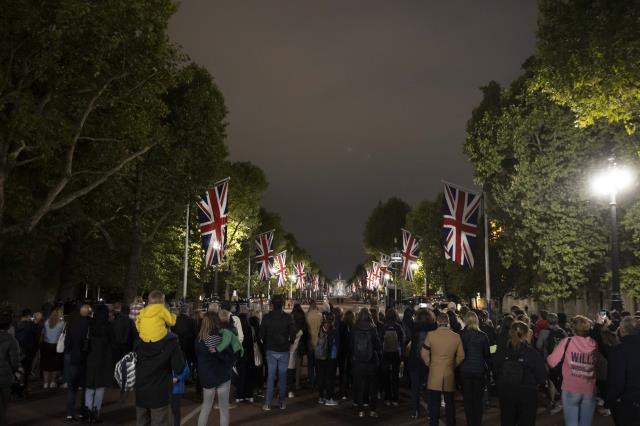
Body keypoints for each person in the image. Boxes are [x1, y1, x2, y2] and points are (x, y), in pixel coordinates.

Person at [134, 294, 185, 426]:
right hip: (159, 391)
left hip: (140, 389)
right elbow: (179, 367)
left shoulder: (138, 341)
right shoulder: (171, 341)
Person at [547, 315, 597, 426]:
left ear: (573, 328)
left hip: (570, 388)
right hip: (589, 388)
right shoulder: (593, 343)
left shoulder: (567, 342)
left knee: (571, 423)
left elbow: (551, 362)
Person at [496, 320, 547, 426]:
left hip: (507, 392)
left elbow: (495, 370)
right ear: (525, 334)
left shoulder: (501, 351)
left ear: (510, 333)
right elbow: (541, 376)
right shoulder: (532, 353)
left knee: (507, 420)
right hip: (527, 393)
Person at [421, 312, 465, 426]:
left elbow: (424, 352)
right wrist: (453, 365)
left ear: (438, 322)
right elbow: (461, 356)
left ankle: (434, 423)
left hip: (434, 372)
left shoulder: (431, 335)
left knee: (434, 403)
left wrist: (429, 363)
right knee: (450, 403)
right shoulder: (456, 337)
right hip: (449, 372)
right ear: (448, 322)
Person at [195, 312, 234, 426]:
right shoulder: (224, 337)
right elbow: (230, 357)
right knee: (224, 409)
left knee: (206, 408)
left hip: (207, 376)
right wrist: (218, 352)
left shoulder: (199, 340)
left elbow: (198, 357)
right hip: (223, 375)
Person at [259, 295, 296, 411]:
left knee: (270, 377)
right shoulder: (287, 317)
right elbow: (293, 335)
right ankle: (282, 402)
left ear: (272, 304)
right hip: (284, 350)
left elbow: (261, 335)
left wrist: (267, 342)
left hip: (271, 350)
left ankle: (268, 403)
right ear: (282, 304)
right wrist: (288, 342)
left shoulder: (266, 317)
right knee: (282, 377)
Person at [459, 311, 491, 426]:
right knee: (478, 400)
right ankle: (477, 422)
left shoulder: (461, 335)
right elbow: (487, 354)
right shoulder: (483, 336)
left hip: (465, 370)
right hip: (478, 370)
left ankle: (470, 422)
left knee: (468, 400)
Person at [84, 304, 114, 423]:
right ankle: (96, 412)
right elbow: (113, 342)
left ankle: (88, 411)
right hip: (104, 359)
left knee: (90, 386)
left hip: (91, 357)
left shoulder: (90, 325)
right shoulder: (108, 326)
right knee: (100, 387)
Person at [607, 316, 640, 425]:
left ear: (622, 330)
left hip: (628, 402)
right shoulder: (619, 350)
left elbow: (618, 379)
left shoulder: (619, 351)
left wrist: (612, 398)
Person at [351, 308, 382, 418]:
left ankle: (361, 410)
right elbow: (378, 345)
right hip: (371, 361)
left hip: (359, 361)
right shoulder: (372, 328)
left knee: (360, 386)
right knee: (373, 387)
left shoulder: (355, 328)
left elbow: (351, 345)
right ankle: (372, 410)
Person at [64, 304, 91, 423]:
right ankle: (83, 411)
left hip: (74, 357)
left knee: (72, 387)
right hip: (86, 358)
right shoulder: (91, 324)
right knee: (85, 386)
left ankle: (69, 413)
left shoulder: (72, 324)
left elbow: (67, 343)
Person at [408, 309, 436, 419]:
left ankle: (415, 411)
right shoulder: (433, 328)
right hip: (429, 361)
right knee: (430, 388)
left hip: (415, 361)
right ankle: (430, 411)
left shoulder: (414, 328)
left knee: (415, 388)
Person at [380, 308, 404, 406]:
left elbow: (380, 339)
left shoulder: (383, 326)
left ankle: (387, 398)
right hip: (395, 353)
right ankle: (395, 399)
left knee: (386, 376)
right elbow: (402, 340)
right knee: (395, 376)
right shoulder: (398, 326)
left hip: (385, 353)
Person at [0, 309, 20, 426]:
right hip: (5, 375)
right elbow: (14, 361)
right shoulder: (10, 339)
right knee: (4, 404)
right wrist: (15, 370)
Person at [14, 308, 39, 397]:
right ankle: (23, 388)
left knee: (17, 369)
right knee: (26, 370)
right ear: (28, 316)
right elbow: (36, 334)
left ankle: (16, 388)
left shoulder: (16, 324)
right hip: (28, 351)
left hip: (17, 350)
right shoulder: (30, 325)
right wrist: (36, 323)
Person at [316, 312, 339, 406]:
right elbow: (336, 345)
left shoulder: (321, 329)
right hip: (330, 357)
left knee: (321, 376)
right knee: (330, 378)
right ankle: (329, 398)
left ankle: (321, 397)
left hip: (320, 356)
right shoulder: (334, 331)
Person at [40, 308, 65, 389]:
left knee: (45, 364)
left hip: (46, 345)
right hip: (55, 346)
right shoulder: (62, 323)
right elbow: (63, 334)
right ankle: (53, 382)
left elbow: (43, 333)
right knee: (55, 365)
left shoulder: (46, 322)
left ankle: (45, 382)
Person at [306, 300, 323, 388]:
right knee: (317, 364)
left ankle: (311, 380)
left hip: (310, 342)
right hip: (318, 342)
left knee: (310, 363)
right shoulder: (320, 316)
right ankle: (317, 380)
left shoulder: (307, 315)